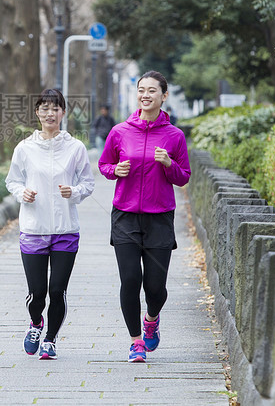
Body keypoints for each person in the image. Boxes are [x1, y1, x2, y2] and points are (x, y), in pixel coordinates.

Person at [97, 71, 191, 363]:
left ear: (164, 96)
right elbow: (104, 164)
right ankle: (136, 341)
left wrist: (168, 164)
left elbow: (183, 177)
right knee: (130, 279)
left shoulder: (175, 136)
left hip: (159, 217)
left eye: (152, 91)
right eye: (141, 90)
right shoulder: (120, 130)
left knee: (155, 287)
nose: (145, 95)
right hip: (125, 215)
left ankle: (152, 317)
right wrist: (116, 171)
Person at [5, 88, 95, 360]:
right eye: (44, 108)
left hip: (66, 229)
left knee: (57, 290)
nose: (49, 113)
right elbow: (13, 181)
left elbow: (88, 183)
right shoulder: (24, 148)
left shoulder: (75, 147)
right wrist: (23, 193)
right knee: (37, 293)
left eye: (55, 108)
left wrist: (74, 192)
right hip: (33, 228)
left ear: (63, 113)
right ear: (37, 113)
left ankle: (51, 340)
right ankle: (35, 323)